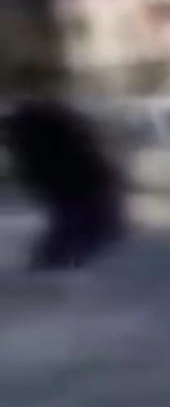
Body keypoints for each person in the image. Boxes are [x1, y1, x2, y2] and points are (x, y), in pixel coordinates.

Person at [4, 91, 125, 273]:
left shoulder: (38, 135)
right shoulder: (51, 132)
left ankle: (53, 269)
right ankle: (55, 268)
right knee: (83, 238)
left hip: (82, 194)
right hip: (86, 193)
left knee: (74, 240)